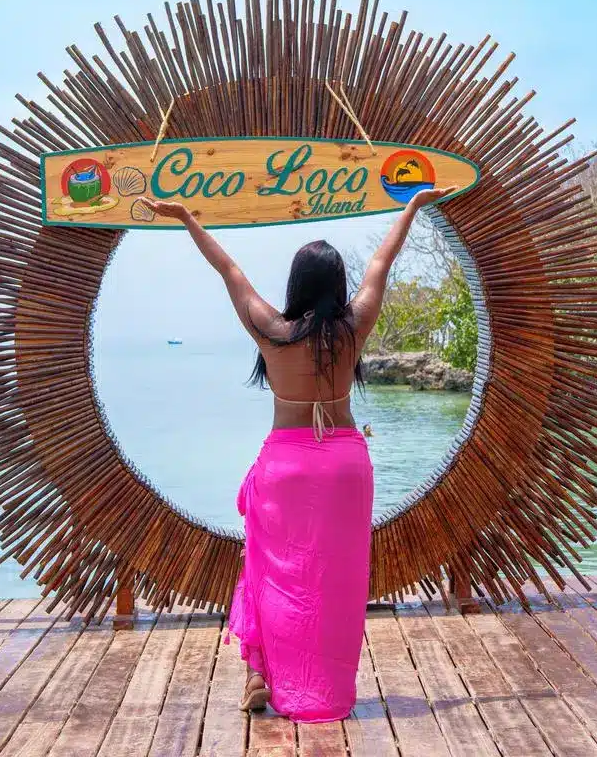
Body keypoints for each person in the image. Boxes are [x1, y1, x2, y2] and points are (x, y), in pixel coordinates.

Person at [142, 185, 457, 722]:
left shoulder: (274, 331)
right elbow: (382, 263)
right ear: (337, 285)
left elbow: (229, 270)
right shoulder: (353, 327)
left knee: (273, 572)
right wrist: (412, 207)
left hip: (286, 466)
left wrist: (186, 218)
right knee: (336, 581)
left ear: (296, 284)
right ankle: (326, 691)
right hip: (344, 466)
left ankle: (260, 672)